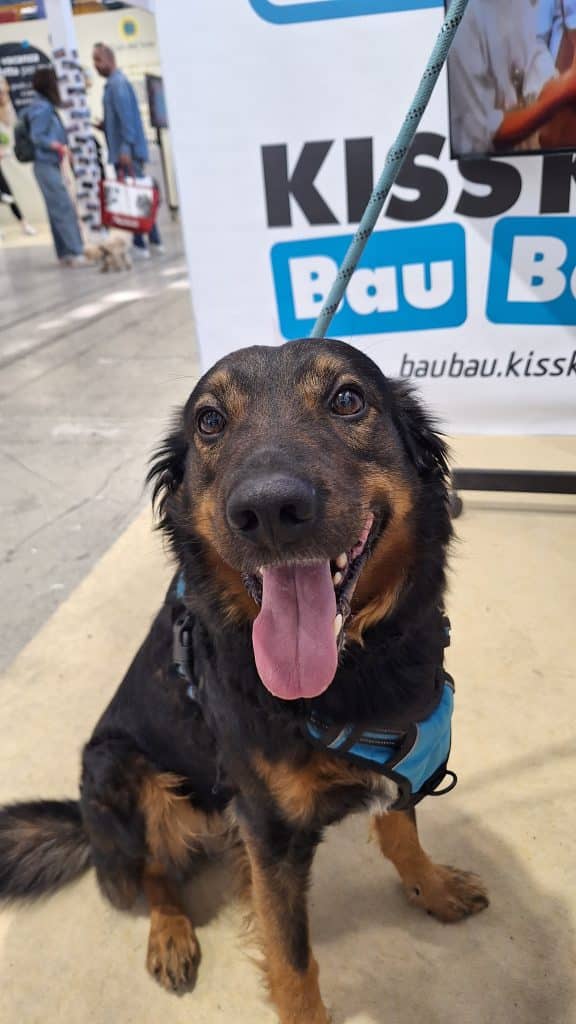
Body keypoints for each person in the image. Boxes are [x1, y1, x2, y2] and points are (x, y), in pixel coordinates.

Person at [448, 0, 576, 155]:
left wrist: (560, 89)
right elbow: (479, 139)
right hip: (485, 163)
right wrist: (558, 95)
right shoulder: (461, 21)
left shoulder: (516, 7)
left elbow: (530, 57)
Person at [92, 43, 163, 259]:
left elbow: (128, 121)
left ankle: (142, 245)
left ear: (109, 59)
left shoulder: (118, 85)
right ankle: (153, 241)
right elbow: (122, 120)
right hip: (125, 151)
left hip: (127, 154)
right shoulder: (114, 85)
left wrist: (124, 149)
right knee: (138, 197)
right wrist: (106, 126)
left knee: (134, 200)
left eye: (98, 60)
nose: (95, 65)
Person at [26, 66, 88, 267]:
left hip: (49, 165)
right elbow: (37, 136)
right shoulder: (42, 107)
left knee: (56, 210)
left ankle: (65, 253)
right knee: (63, 208)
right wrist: (59, 146)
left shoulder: (43, 105)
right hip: (45, 165)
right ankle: (77, 252)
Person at [0, 75, 36, 239]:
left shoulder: (9, 109)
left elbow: (12, 130)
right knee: (5, 192)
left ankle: (23, 223)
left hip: (7, 154)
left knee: (7, 192)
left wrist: (7, 151)